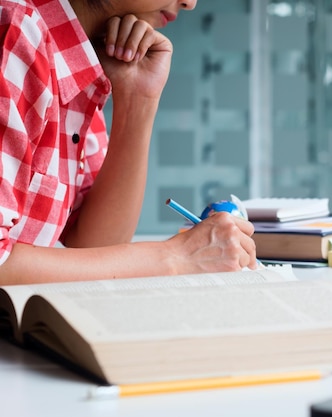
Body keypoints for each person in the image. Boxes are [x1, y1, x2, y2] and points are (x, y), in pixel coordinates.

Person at [0, 0, 259, 285]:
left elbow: (96, 247)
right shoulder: (15, 28)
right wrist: (177, 257)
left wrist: (138, 101)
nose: (190, 3)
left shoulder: (77, 65)